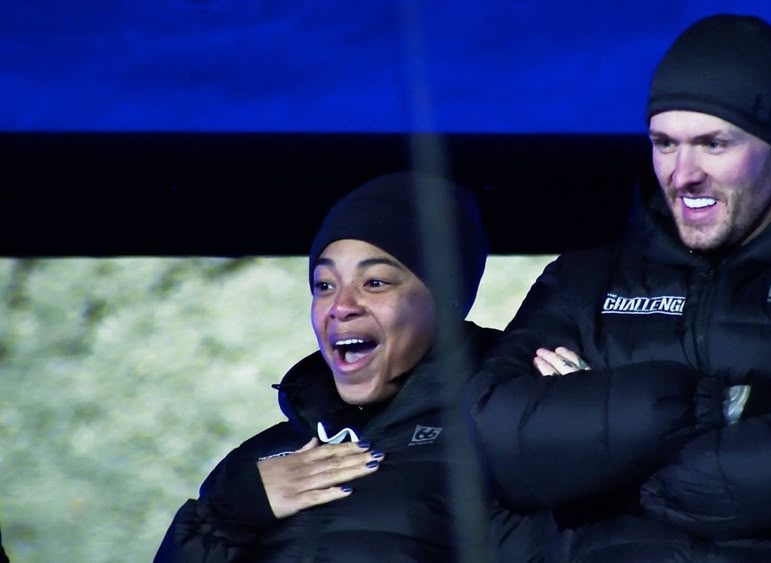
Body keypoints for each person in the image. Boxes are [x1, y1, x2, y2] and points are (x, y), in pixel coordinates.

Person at [466, 13, 771, 562]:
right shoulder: (581, 282)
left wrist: (604, 446)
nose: (683, 174)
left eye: (713, 144)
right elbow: (493, 443)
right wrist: (722, 408)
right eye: (664, 143)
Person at [154, 171, 544, 562]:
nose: (340, 306)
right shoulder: (263, 455)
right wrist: (225, 516)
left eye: (375, 282)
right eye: (324, 285)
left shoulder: (509, 431)